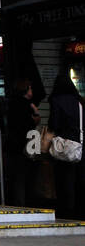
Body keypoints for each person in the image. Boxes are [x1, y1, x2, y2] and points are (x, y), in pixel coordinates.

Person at [47, 72, 84, 221]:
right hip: (80, 145)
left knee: (64, 179)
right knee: (80, 179)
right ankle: (80, 210)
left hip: (65, 145)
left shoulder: (57, 100)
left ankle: (66, 210)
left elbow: (54, 124)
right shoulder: (80, 102)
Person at [3, 77, 40, 207]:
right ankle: (25, 203)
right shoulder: (27, 105)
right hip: (25, 144)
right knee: (26, 175)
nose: (32, 91)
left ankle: (16, 202)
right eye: (30, 88)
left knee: (15, 176)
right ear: (26, 90)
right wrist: (35, 111)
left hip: (11, 144)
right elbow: (33, 122)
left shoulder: (10, 103)